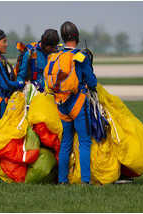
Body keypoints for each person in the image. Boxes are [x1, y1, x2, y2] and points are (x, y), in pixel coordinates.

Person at [45, 21, 97, 185]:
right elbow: (92, 82)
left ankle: (62, 180)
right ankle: (86, 181)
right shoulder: (80, 56)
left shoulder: (56, 56)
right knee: (85, 141)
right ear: (77, 37)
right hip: (78, 103)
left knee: (66, 141)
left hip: (61, 104)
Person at [0, 28, 25, 181]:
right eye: (4, 42)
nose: (6, 45)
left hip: (0, 103)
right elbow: (6, 84)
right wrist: (21, 83)